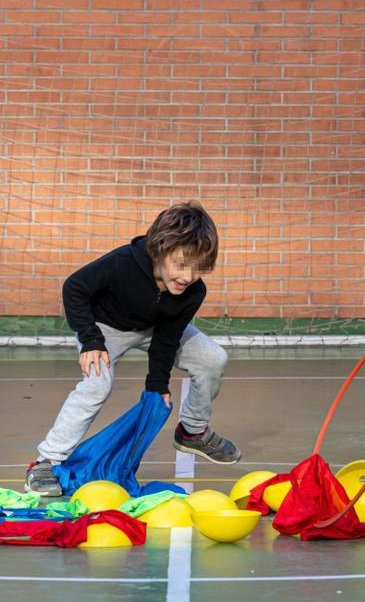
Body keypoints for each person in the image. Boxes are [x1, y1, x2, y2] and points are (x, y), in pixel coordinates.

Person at [25, 201, 238, 497]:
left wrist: (157, 385)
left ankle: (192, 431)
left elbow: (168, 335)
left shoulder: (193, 291)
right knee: (97, 385)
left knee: (213, 358)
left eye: (198, 269)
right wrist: (91, 340)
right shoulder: (123, 262)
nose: (188, 277)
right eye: (180, 265)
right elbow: (75, 288)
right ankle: (46, 460)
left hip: (153, 330)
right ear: (159, 250)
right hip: (105, 329)